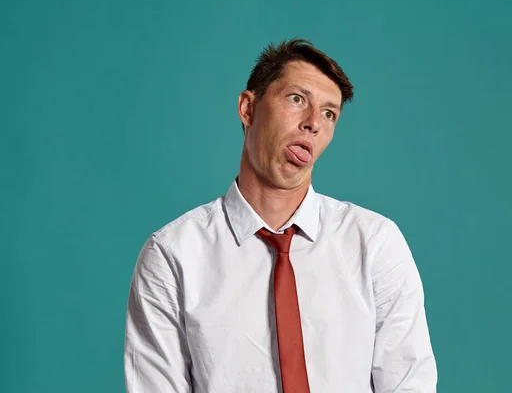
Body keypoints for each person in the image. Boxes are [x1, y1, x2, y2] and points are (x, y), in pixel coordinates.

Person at [124, 38, 437, 392]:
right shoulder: (172, 255)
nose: (313, 123)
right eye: (297, 99)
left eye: (329, 113)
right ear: (248, 108)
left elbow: (409, 384)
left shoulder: (375, 243)